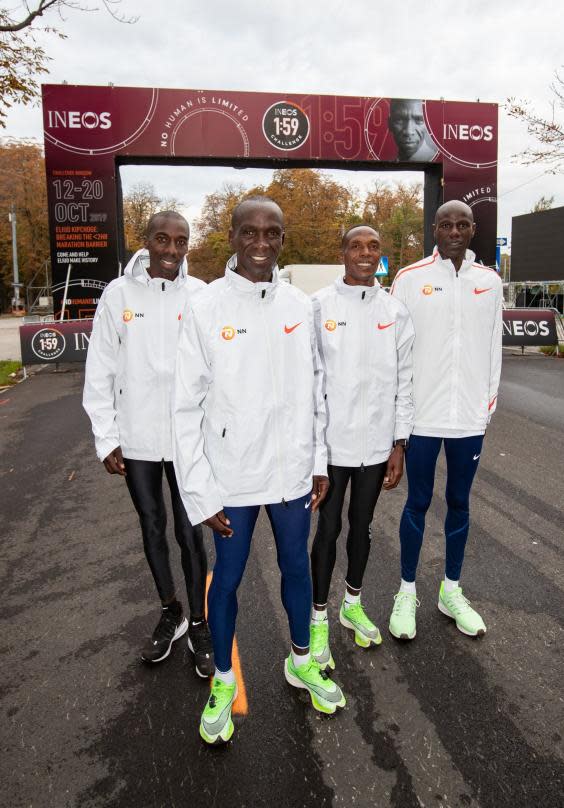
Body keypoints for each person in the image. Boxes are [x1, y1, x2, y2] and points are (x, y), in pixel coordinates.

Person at [173, 196, 346, 746]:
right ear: (231, 236)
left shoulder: (300, 305)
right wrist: (202, 493)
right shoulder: (205, 309)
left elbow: (317, 391)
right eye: (250, 232)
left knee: (298, 569)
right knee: (227, 580)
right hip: (233, 479)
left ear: (282, 237)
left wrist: (316, 460)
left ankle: (300, 660)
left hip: (292, 473)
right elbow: (183, 409)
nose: (262, 243)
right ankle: (223, 680)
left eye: (272, 232)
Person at [83, 210, 214, 677]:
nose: (172, 251)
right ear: (148, 241)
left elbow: (214, 367)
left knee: (188, 529)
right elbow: (99, 369)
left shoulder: (200, 295)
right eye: (163, 240)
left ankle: (199, 623)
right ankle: (171, 610)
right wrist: (107, 437)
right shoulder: (118, 295)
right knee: (152, 525)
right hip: (136, 438)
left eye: (181, 242)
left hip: (186, 440)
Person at [388, 200, 503, 640]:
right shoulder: (410, 278)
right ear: (434, 230)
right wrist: (399, 421)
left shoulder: (489, 282)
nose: (454, 230)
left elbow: (493, 348)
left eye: (462, 224)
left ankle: (450, 591)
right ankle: (406, 591)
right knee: (417, 503)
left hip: (468, 421)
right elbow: (395, 354)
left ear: (472, 230)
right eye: (446, 224)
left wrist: (485, 407)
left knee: (460, 504)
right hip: (422, 418)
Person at [309, 226, 414, 670]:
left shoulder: (395, 310)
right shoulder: (318, 306)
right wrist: (314, 453)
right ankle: (317, 622)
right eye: (356, 246)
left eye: (373, 246)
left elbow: (405, 380)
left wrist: (399, 443)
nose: (365, 253)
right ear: (343, 253)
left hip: (375, 448)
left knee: (362, 526)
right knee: (327, 530)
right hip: (332, 449)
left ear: (380, 255)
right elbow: (311, 385)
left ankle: (352, 603)